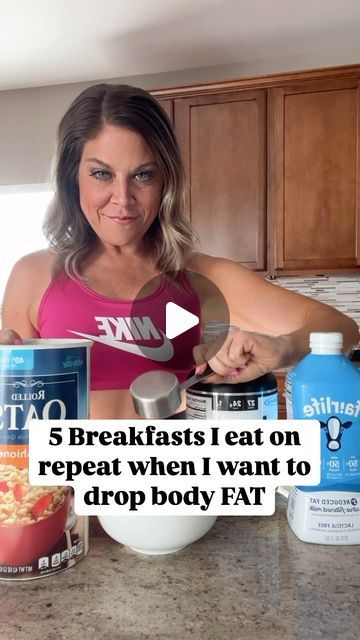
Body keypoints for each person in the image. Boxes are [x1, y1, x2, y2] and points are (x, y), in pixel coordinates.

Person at [1, 84, 358, 419]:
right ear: (71, 177)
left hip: (174, 481)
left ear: (165, 181)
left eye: (143, 175)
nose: (122, 199)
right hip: (64, 485)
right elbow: (11, 409)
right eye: (101, 174)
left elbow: (341, 328)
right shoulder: (33, 276)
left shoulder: (202, 277)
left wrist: (282, 349)